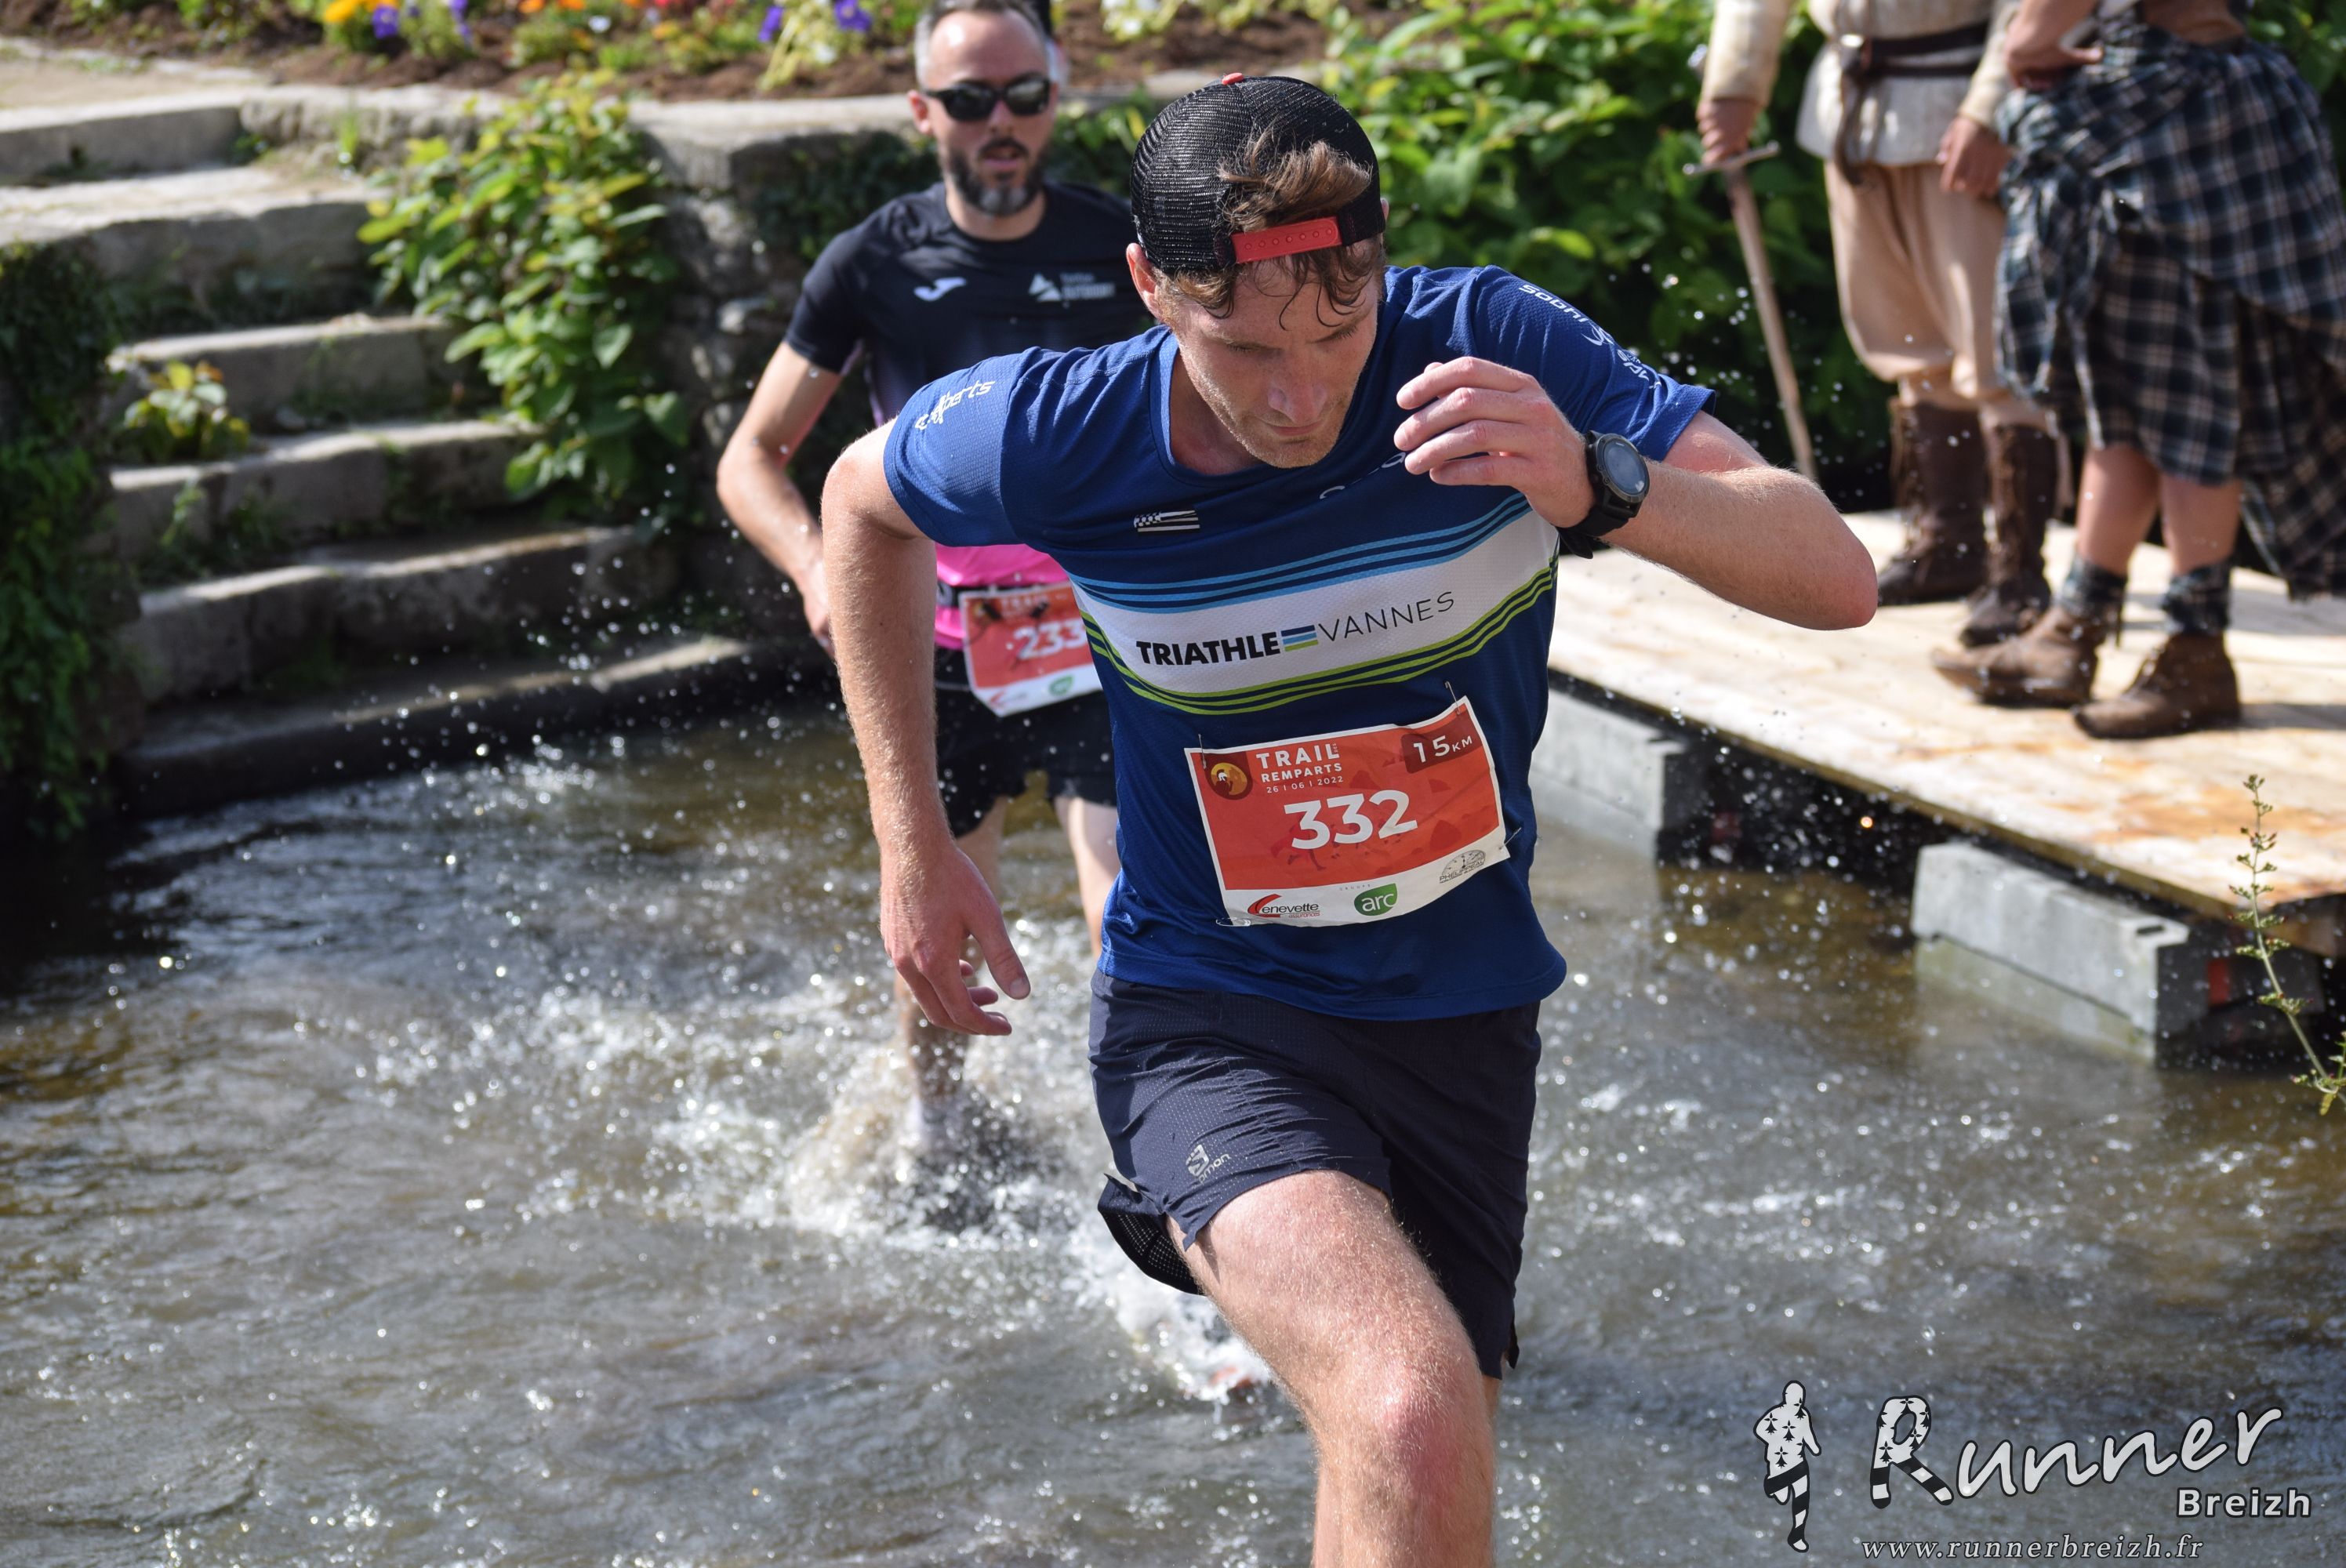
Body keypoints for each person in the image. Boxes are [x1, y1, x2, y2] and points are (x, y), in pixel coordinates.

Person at [820, 75, 1876, 1560]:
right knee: (1407, 1405)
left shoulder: (1488, 350)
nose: (1300, 397)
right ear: (1150, 288)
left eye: (1339, 331)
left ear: (1381, 265)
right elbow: (858, 508)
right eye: (1244, 348)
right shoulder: (1060, 431)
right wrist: (912, 846)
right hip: (1212, 1012)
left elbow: (1833, 577)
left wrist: (1598, 484)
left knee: (1423, 1460)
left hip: (1465, 1013)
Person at [715, 0, 1146, 1150]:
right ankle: (938, 1125)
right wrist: (819, 565)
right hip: (939, 648)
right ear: (922, 112)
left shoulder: (1118, 248)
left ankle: (1156, 1141)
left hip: (1097, 630)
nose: (1001, 122)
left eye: (1025, 96)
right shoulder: (873, 263)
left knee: (1128, 902)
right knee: (943, 912)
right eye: (969, 100)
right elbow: (752, 457)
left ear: (1056, 100)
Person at [1929, 0, 2346, 736]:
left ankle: (2196, 651)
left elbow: (2035, 32)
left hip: (2171, 122)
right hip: (2189, 108)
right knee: (2126, 408)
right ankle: (2073, 629)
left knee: (2191, 411)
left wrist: (2030, 40)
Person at [1700, 0, 2068, 646]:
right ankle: (1948, 542)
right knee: (1906, 343)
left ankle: (2018, 574)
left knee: (1998, 354)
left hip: (1961, 114)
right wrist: (1734, 83)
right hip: (1852, 111)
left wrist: (1991, 111)